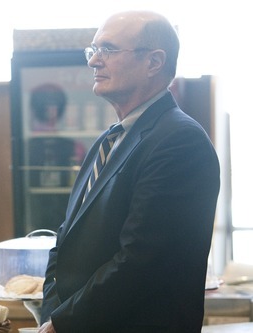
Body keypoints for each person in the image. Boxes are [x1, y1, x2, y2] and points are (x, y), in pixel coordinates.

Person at [39, 10, 220, 333]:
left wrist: (63, 323)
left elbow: (141, 261)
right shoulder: (108, 140)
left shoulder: (179, 141)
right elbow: (64, 241)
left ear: (154, 62)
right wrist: (52, 314)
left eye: (107, 49)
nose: (94, 61)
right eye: (92, 50)